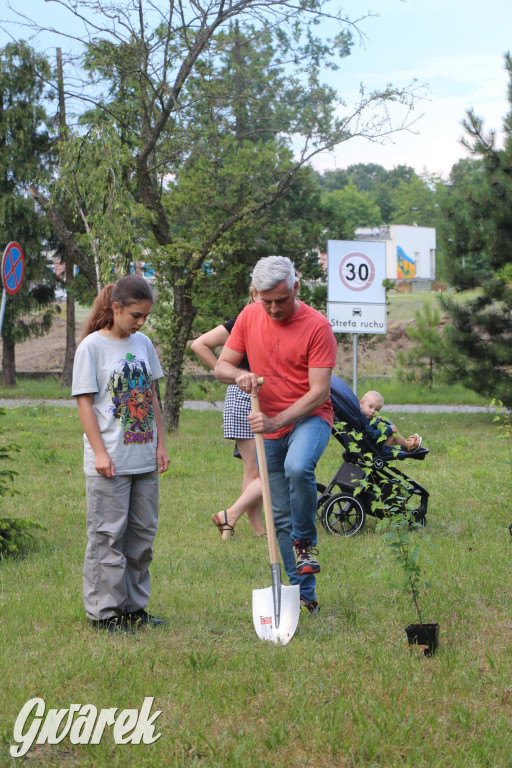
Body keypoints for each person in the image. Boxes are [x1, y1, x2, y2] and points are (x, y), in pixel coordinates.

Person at [214, 256, 337, 615]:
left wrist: (276, 420)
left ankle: (307, 541)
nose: (273, 308)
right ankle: (304, 595)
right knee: (279, 516)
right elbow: (222, 364)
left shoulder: (318, 327)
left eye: (281, 300)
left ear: (296, 289)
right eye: (265, 300)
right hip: (266, 424)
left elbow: (318, 392)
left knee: (299, 468)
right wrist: (238, 375)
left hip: (308, 418)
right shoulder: (250, 315)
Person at [72, 274, 170, 634]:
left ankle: (134, 607)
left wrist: (160, 443)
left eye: (145, 316)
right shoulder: (92, 348)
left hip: (143, 458)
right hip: (109, 461)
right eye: (135, 315)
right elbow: (84, 403)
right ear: (115, 308)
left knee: (142, 537)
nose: (141, 323)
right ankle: (104, 612)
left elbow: (152, 397)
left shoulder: (143, 343)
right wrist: (99, 452)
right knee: (107, 536)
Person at [190, 291, 265, 540]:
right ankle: (231, 516)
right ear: (253, 294)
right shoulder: (240, 322)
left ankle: (254, 528)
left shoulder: (273, 322)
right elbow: (198, 344)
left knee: (252, 471)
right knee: (262, 470)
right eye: (263, 293)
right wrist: (226, 372)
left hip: (260, 399)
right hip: (244, 398)